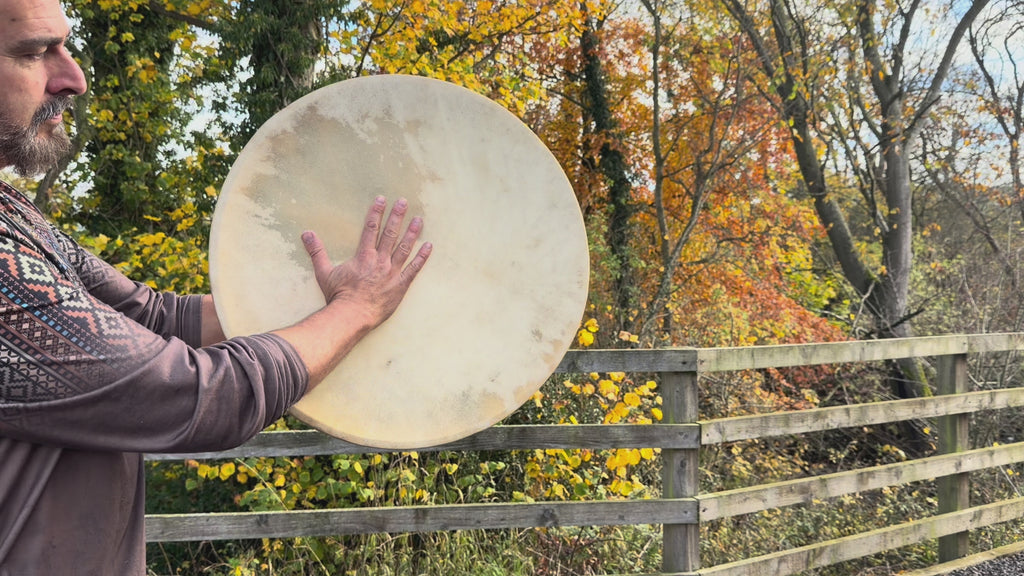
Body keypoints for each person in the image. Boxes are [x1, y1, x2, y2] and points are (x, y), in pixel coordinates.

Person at [0, 0, 433, 572]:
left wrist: (335, 298)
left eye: (63, 45)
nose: (74, 77)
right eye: (33, 53)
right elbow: (199, 396)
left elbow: (153, 317)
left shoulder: (13, 215)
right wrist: (355, 311)